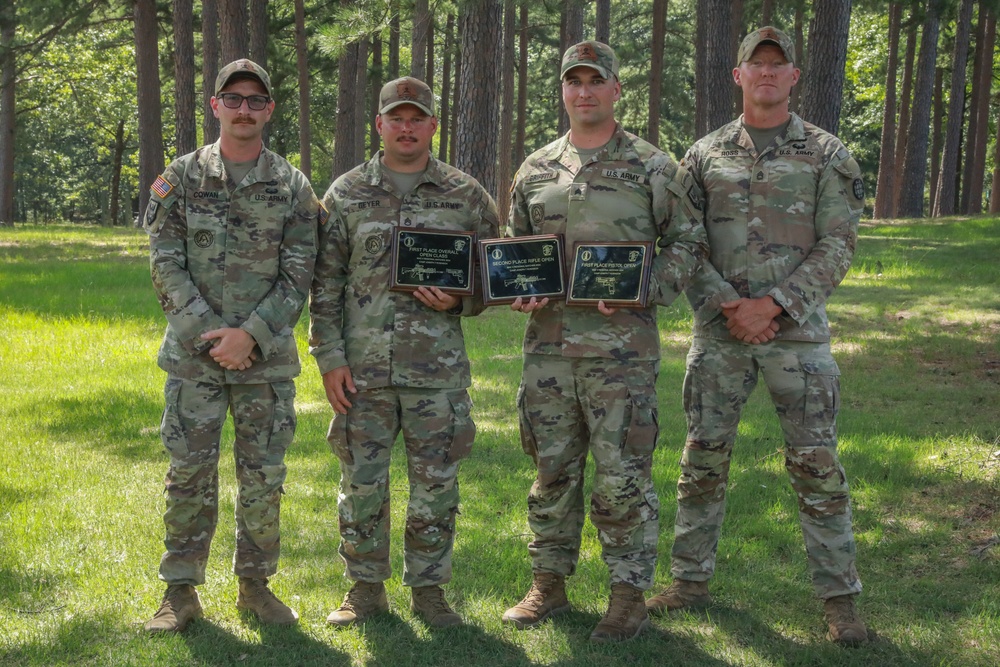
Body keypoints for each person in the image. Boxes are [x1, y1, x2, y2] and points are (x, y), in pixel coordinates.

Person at [645, 27, 868, 645]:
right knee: (703, 460)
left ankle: (840, 602)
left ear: (795, 76)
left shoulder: (826, 153)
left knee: (816, 464)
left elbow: (838, 243)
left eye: (778, 65)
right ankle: (689, 581)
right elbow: (684, 242)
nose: (767, 73)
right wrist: (727, 306)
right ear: (737, 75)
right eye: (755, 64)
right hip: (719, 335)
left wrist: (773, 305)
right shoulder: (703, 155)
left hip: (798, 337)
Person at [501, 41, 708, 643]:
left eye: (597, 81)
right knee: (550, 471)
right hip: (547, 352)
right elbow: (516, 245)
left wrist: (646, 287)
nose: (584, 91)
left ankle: (627, 596)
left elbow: (689, 244)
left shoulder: (653, 166)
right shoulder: (535, 168)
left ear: (618, 89)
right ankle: (548, 584)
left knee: (622, 476)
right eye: (574, 82)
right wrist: (518, 286)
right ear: (563, 91)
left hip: (621, 355)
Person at [309, 76, 499, 629]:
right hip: (361, 372)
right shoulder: (345, 193)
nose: (407, 127)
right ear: (380, 125)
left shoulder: (465, 195)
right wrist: (330, 359)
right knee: (361, 485)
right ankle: (365, 590)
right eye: (397, 117)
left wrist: (460, 298)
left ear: (433, 125)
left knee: (436, 487)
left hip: (435, 372)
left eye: (418, 118)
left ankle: (430, 592)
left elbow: (499, 276)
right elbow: (325, 285)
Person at [141, 59, 320, 633]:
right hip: (195, 360)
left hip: (263, 362)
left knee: (264, 477)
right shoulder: (182, 177)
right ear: (215, 105)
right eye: (233, 98)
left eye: (255, 100)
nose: (244, 108)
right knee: (189, 474)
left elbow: (300, 272)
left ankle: (255, 587)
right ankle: (180, 592)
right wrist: (208, 335)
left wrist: (251, 337)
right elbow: (165, 262)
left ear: (269, 110)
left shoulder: (292, 185)